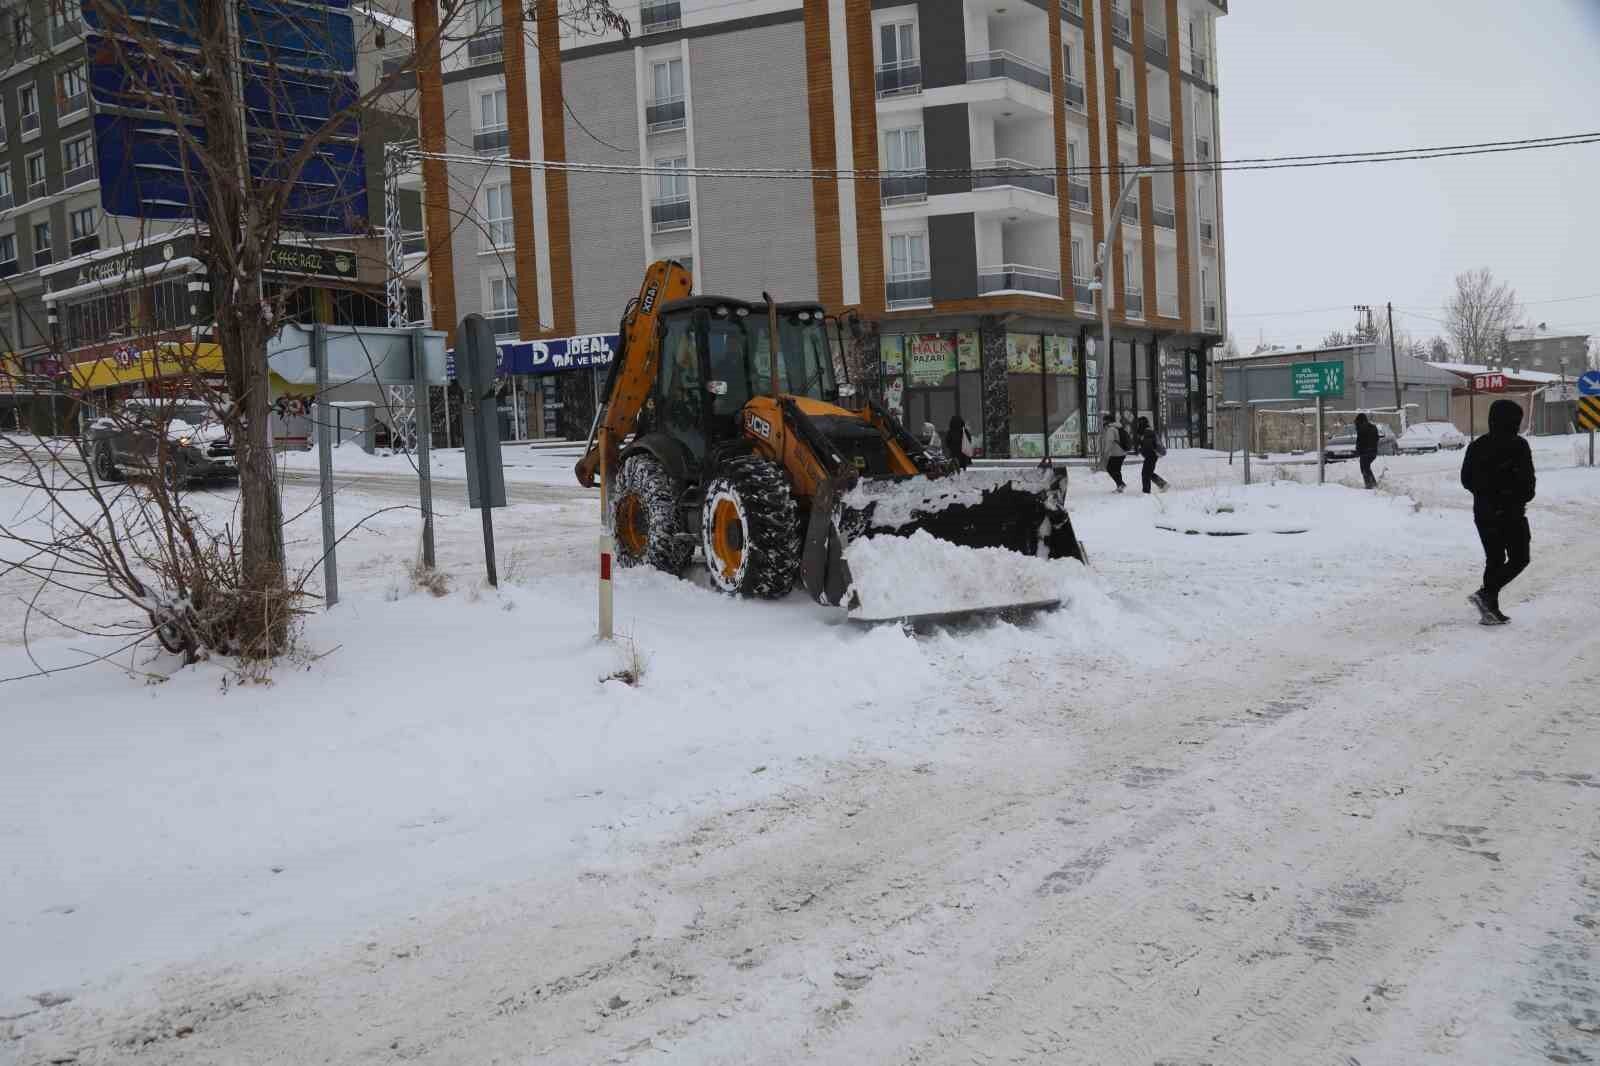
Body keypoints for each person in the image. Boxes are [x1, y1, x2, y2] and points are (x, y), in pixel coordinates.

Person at [1461, 398, 1536, 625]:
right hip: (1511, 513)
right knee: (1520, 558)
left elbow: (1466, 480)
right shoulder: (1518, 446)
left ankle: (1489, 609)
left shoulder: (1477, 445)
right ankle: (1486, 595)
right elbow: (1527, 484)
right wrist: (1513, 496)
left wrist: (1485, 494)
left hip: (1483, 513)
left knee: (1494, 559)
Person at [1136, 416, 1168, 493]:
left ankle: (1146, 491)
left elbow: (1148, 446)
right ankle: (1162, 484)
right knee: (1148, 472)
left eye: (1138, 423)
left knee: (1145, 473)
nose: (1137, 425)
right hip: (1151, 455)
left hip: (1151, 456)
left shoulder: (1147, 432)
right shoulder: (1147, 431)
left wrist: (1141, 448)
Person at [1101, 413, 1128, 493]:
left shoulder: (1111, 429)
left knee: (1110, 468)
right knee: (1116, 470)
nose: (1103, 422)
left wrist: (1105, 453)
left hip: (1116, 453)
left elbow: (1110, 441)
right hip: (1122, 452)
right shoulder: (1118, 427)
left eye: (1104, 420)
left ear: (1107, 421)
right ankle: (1120, 486)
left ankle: (1120, 484)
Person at [1354, 412, 1380, 489]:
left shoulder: (1361, 428)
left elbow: (1360, 441)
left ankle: (1369, 485)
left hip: (1365, 452)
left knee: (1364, 469)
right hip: (1373, 452)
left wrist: (1358, 451)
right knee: (1366, 468)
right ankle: (1373, 484)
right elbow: (1376, 438)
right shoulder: (1373, 427)